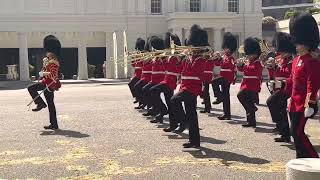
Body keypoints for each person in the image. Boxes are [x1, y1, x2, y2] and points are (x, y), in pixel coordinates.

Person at [285, 13, 320, 158]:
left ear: (306, 42)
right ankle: (301, 158)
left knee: (297, 132)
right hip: (294, 103)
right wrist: (284, 93)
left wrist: (310, 104)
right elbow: (292, 80)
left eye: (299, 42)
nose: (296, 45)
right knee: (295, 134)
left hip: (304, 105)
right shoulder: (296, 60)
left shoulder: (312, 61)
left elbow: (313, 84)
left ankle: (314, 159)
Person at [170, 25, 207, 148]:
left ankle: (184, 122)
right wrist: (178, 59)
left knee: (174, 100)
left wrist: (186, 58)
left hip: (193, 87)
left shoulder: (201, 59)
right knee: (191, 114)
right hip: (185, 86)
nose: (190, 48)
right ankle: (194, 141)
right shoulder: (189, 58)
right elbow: (179, 70)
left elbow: (196, 71)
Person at [266, 32, 295, 143]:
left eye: (282, 50)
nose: (280, 52)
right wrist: (272, 67)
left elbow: (288, 74)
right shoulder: (280, 60)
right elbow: (275, 74)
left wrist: (277, 66)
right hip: (278, 87)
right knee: (281, 110)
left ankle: (280, 126)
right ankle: (285, 135)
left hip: (286, 88)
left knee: (270, 102)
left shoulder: (291, 61)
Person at [27, 35, 62, 130]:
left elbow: (53, 75)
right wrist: (44, 66)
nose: (46, 53)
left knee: (30, 88)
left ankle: (40, 103)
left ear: (51, 52)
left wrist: (44, 72)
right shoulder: (50, 61)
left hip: (48, 84)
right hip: (48, 83)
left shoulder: (53, 62)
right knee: (51, 104)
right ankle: (54, 124)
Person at [149, 32, 182, 124]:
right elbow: (166, 68)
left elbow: (178, 70)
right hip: (166, 80)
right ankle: (173, 123)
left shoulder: (177, 56)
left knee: (153, 90)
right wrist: (162, 59)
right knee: (169, 102)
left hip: (171, 81)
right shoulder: (169, 56)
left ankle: (164, 111)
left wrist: (179, 60)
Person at [237, 37, 263, 128]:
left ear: (256, 54)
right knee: (248, 102)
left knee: (240, 96)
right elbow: (242, 70)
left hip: (252, 85)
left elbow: (253, 70)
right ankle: (251, 122)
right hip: (246, 84)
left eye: (251, 54)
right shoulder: (249, 61)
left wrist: (244, 65)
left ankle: (252, 109)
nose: (248, 56)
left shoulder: (257, 62)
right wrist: (239, 65)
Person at [211, 32, 237, 120]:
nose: (225, 49)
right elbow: (217, 64)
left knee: (214, 82)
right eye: (225, 48)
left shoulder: (231, 58)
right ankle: (227, 114)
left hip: (227, 77)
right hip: (223, 76)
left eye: (227, 48)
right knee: (226, 96)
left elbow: (232, 66)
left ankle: (219, 97)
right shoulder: (224, 56)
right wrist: (217, 58)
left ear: (230, 49)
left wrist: (222, 58)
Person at [128, 38, 145, 104]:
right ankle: (138, 98)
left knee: (136, 86)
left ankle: (141, 100)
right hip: (137, 73)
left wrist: (138, 57)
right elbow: (134, 65)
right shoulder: (138, 54)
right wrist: (133, 58)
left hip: (141, 74)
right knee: (132, 85)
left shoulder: (144, 54)